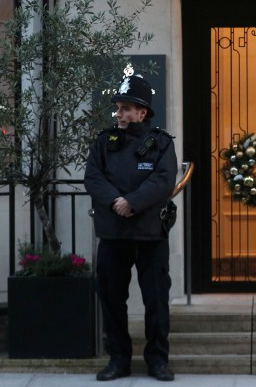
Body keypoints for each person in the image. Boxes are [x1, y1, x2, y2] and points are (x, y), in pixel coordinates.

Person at [85, 73, 178, 382]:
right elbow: (93, 177)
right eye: (119, 108)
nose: (120, 114)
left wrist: (133, 202)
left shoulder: (161, 144)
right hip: (113, 233)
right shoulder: (103, 142)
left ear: (143, 113)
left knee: (156, 300)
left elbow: (163, 181)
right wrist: (116, 201)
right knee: (112, 299)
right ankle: (118, 360)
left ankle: (157, 361)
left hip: (150, 234)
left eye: (127, 108)